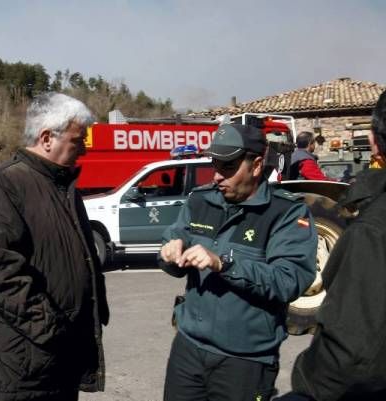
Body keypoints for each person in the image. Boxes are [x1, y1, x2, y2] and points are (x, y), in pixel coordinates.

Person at [159, 124, 317, 401]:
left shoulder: (286, 213)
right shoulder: (200, 200)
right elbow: (172, 242)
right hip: (188, 349)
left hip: (245, 360)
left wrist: (224, 264)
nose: (218, 176)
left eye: (229, 167)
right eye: (215, 165)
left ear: (256, 165)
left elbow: (288, 280)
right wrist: (169, 254)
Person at [0, 92, 109, 401]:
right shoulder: (2, 186)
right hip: (20, 368)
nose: (84, 148)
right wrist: (54, 331)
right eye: (78, 139)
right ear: (47, 138)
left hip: (58, 362)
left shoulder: (63, 187)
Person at [277, 89, 386, 401]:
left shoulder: (371, 228)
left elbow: (350, 353)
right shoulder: (307, 163)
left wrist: (307, 378)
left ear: (374, 141)